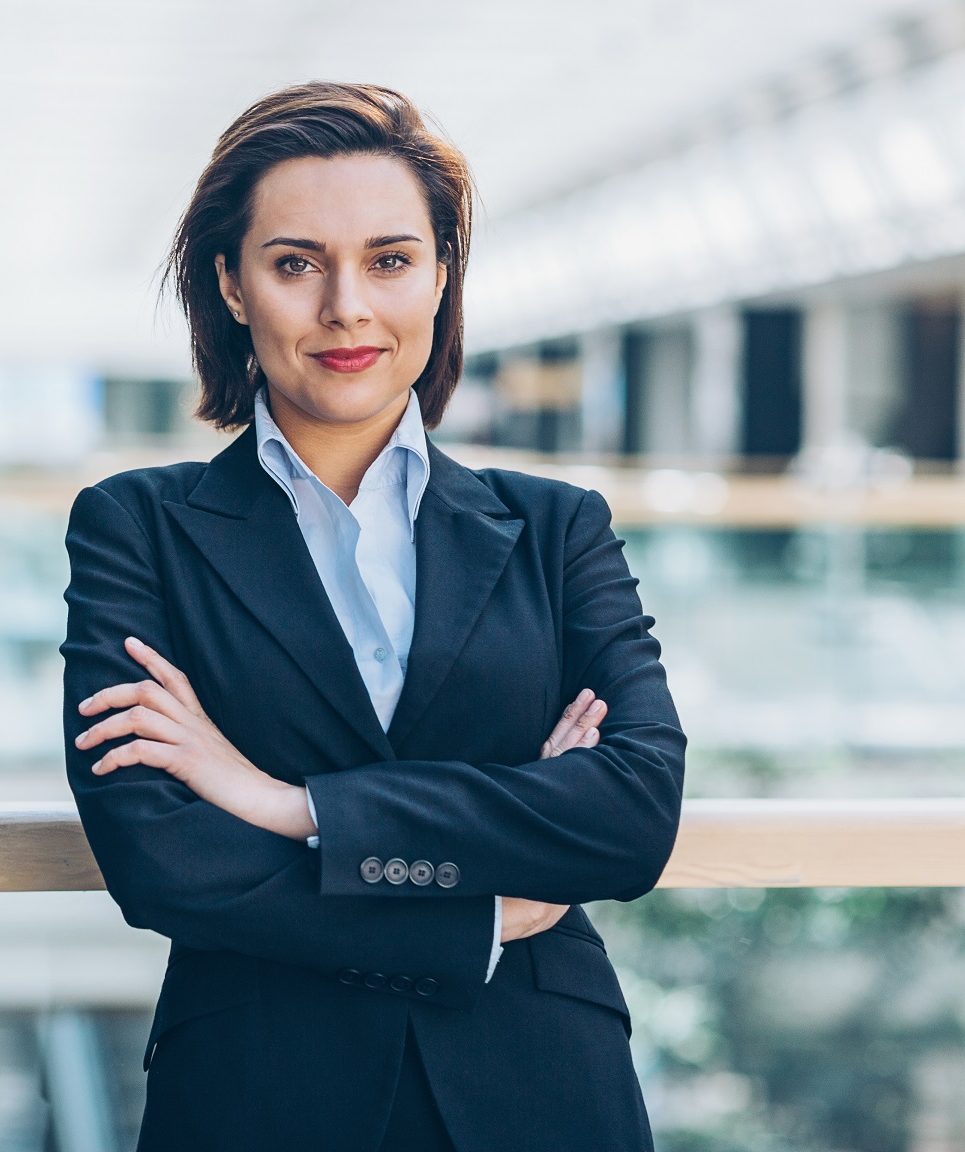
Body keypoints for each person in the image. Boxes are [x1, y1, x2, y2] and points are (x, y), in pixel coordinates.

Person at [60, 82, 685, 1151]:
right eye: (296, 263)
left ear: (442, 275)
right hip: (258, 1095)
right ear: (233, 284)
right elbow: (160, 853)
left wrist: (282, 803)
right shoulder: (137, 526)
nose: (346, 305)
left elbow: (629, 815)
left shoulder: (554, 528)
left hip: (540, 1091)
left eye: (390, 260)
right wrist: (479, 909)